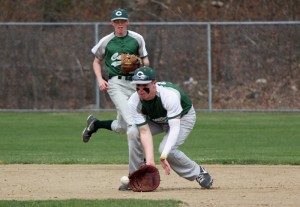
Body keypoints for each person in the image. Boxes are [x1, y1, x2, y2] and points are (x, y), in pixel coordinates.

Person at [81, 8, 150, 190]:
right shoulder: (106, 41)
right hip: (115, 84)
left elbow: (146, 60)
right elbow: (96, 60)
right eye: (116, 22)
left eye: (123, 22)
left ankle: (94, 125)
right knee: (133, 126)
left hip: (134, 85)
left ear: (127, 22)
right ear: (112, 23)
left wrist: (140, 66)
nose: (120, 25)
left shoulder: (137, 38)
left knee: (121, 127)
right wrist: (100, 79)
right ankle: (136, 172)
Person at [127, 66, 213, 189]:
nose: (140, 90)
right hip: (156, 120)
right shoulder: (134, 102)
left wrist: (164, 155)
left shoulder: (169, 96)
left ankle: (198, 172)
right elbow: (144, 131)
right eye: (137, 86)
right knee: (132, 131)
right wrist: (150, 162)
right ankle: (136, 176)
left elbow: (174, 128)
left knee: (166, 150)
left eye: (144, 85)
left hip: (183, 118)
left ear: (154, 83)